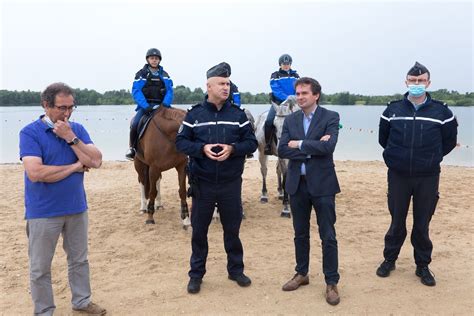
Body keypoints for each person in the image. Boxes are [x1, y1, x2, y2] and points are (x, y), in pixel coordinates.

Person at [19, 82, 106, 315]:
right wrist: (76, 166)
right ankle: (44, 311)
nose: (67, 113)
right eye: (61, 108)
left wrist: (71, 138)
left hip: (77, 207)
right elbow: (36, 173)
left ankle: (82, 301)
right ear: (46, 105)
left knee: (79, 260)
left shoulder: (75, 129)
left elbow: (96, 161)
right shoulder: (30, 133)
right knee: (40, 268)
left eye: (71, 108)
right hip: (43, 211)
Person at [176, 62, 258, 294]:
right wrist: (202, 148)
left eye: (228, 83)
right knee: (199, 232)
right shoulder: (194, 114)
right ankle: (196, 275)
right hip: (202, 184)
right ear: (209, 86)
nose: (226, 87)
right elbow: (181, 142)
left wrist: (233, 148)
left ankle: (235, 270)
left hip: (231, 184)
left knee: (232, 230)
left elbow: (251, 143)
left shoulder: (238, 115)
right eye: (222, 83)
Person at [376, 62, 458, 286]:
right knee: (396, 221)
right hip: (398, 175)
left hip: (428, 176)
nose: (417, 84)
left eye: (421, 81)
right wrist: (396, 158)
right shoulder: (392, 110)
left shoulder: (442, 112)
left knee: (422, 223)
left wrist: (431, 158)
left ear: (428, 83)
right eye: (413, 81)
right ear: (406, 82)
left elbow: (449, 142)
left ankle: (422, 265)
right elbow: (384, 140)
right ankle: (389, 259)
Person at [278, 77, 341, 306]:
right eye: (298, 92)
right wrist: (312, 146)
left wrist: (301, 144)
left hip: (323, 185)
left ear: (316, 95)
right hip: (297, 184)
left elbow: (329, 147)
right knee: (300, 233)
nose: (300, 96)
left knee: (328, 235)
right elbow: (282, 148)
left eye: (304, 93)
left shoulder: (330, 117)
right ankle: (301, 273)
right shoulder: (291, 119)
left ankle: (331, 282)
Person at [125, 48, 174, 160]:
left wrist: (165, 105)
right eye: (152, 58)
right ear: (148, 59)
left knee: (178, 122)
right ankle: (132, 149)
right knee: (135, 123)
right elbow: (136, 91)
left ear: (159, 60)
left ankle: (181, 148)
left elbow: (170, 91)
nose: (154, 60)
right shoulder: (141, 74)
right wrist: (145, 106)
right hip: (146, 106)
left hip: (163, 106)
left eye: (156, 58)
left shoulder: (165, 74)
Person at [264, 53, 300, 155]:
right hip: (279, 103)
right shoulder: (275, 75)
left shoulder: (296, 76)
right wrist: (287, 98)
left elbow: (299, 88)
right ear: (280, 64)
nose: (286, 65)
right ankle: (268, 145)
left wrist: (294, 98)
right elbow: (276, 90)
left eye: (288, 63)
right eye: (284, 64)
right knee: (269, 121)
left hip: (294, 102)